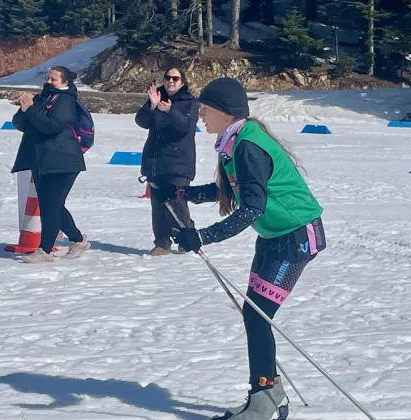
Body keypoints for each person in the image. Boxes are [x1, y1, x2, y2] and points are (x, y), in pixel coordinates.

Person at [149, 77, 327, 420]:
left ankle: (265, 399)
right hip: (277, 236)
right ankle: (267, 393)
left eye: (205, 109)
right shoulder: (235, 142)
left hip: (296, 237)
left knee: (258, 315)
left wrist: (202, 236)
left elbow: (252, 208)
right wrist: (182, 193)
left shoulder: (248, 146)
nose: (200, 116)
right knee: (255, 315)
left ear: (225, 112)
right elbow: (233, 190)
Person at [10, 66, 90, 263]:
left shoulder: (65, 101)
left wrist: (31, 110)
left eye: (53, 79)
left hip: (63, 162)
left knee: (50, 207)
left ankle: (45, 251)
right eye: (48, 77)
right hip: (43, 160)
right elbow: (20, 124)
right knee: (53, 205)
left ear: (65, 82)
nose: (48, 81)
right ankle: (78, 241)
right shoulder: (43, 97)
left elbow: (52, 127)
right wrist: (24, 109)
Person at [134, 67, 199, 256]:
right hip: (155, 160)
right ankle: (162, 242)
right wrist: (152, 106)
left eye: (175, 78)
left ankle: (187, 237)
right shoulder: (157, 96)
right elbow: (142, 121)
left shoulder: (190, 101)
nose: (171, 81)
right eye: (168, 77)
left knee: (177, 202)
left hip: (179, 161)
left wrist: (170, 110)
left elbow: (186, 126)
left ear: (183, 82)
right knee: (158, 203)